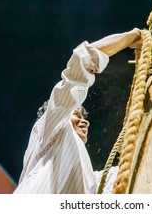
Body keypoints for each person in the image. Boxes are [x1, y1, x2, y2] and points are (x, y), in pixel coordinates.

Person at [14, 28, 142, 194]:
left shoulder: (91, 180)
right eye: (76, 114)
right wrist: (132, 37)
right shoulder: (49, 128)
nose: (85, 121)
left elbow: (124, 176)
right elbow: (83, 61)